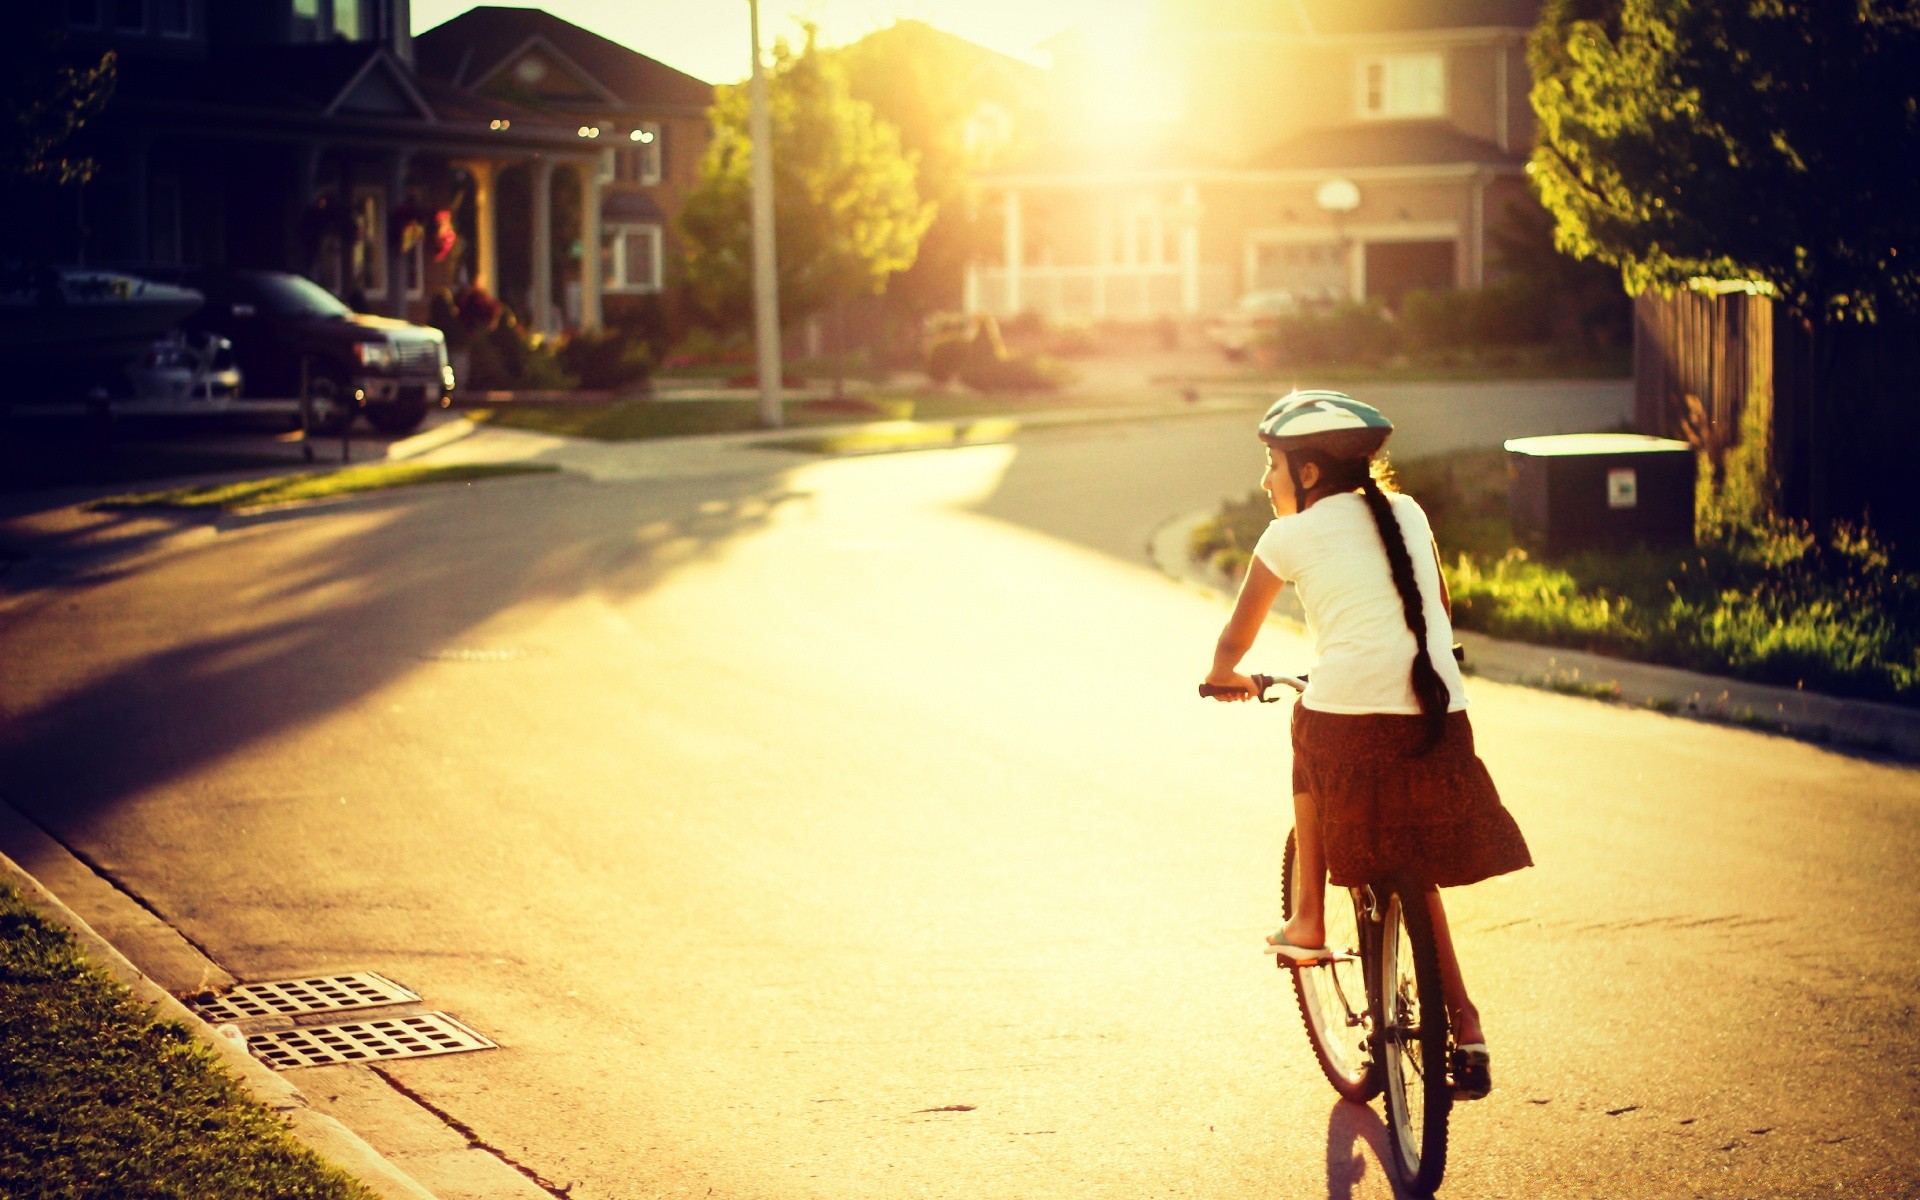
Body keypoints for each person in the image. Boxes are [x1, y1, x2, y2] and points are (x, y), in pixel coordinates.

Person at [1202, 389, 1532, 1100]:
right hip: (1440, 712)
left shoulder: (1286, 538)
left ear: (1310, 474)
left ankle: (1310, 916)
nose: (1266, 481)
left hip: (1348, 717)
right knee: (1412, 859)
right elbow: (1437, 609)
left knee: (1305, 733)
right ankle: (1467, 1028)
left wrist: (1222, 674)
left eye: (1272, 464)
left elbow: (1238, 635)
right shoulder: (1407, 513)